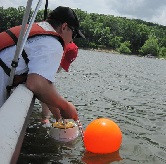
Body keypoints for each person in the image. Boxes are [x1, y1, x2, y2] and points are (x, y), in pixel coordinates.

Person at [0, 6, 85, 122]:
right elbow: (37, 83)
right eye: (74, 34)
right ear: (64, 27)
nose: (71, 41)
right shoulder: (53, 44)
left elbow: (42, 86)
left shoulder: (37, 33)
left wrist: (57, 115)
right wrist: (65, 106)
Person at [41, 42, 78, 123]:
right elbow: (42, 89)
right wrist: (61, 113)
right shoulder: (43, 56)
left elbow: (44, 92)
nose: (59, 68)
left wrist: (46, 117)